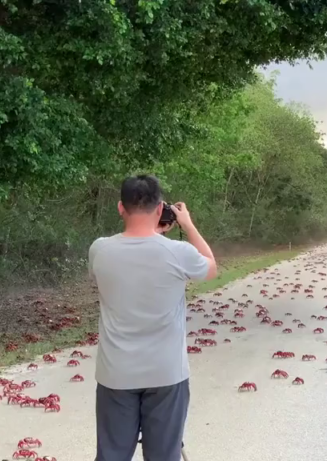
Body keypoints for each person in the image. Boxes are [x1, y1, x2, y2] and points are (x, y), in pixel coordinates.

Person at [88, 175, 217, 461]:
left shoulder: (99, 249)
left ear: (121, 208)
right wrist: (187, 225)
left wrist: (153, 235)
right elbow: (211, 267)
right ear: (161, 209)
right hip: (166, 373)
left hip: (116, 373)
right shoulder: (179, 253)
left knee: (111, 456)